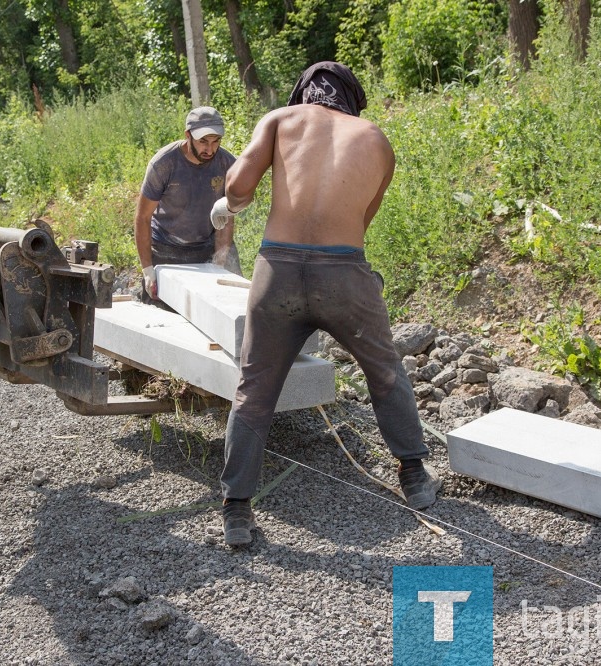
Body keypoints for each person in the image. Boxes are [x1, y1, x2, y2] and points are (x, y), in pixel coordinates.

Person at [210, 62, 441, 546]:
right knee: (384, 370)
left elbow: (238, 189)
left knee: (254, 388)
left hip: (277, 274)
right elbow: (362, 221)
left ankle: (236, 509)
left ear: (304, 96)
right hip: (344, 275)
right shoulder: (376, 139)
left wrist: (228, 206)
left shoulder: (280, 120)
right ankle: (415, 477)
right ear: (351, 101)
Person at [134, 106, 241, 306]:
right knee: (160, 315)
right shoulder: (164, 164)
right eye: (203, 142)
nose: (210, 149)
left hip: (207, 245)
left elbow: (226, 218)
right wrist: (148, 271)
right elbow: (143, 217)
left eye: (216, 141)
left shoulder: (227, 164)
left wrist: (219, 263)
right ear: (188, 135)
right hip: (166, 248)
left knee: (228, 303)